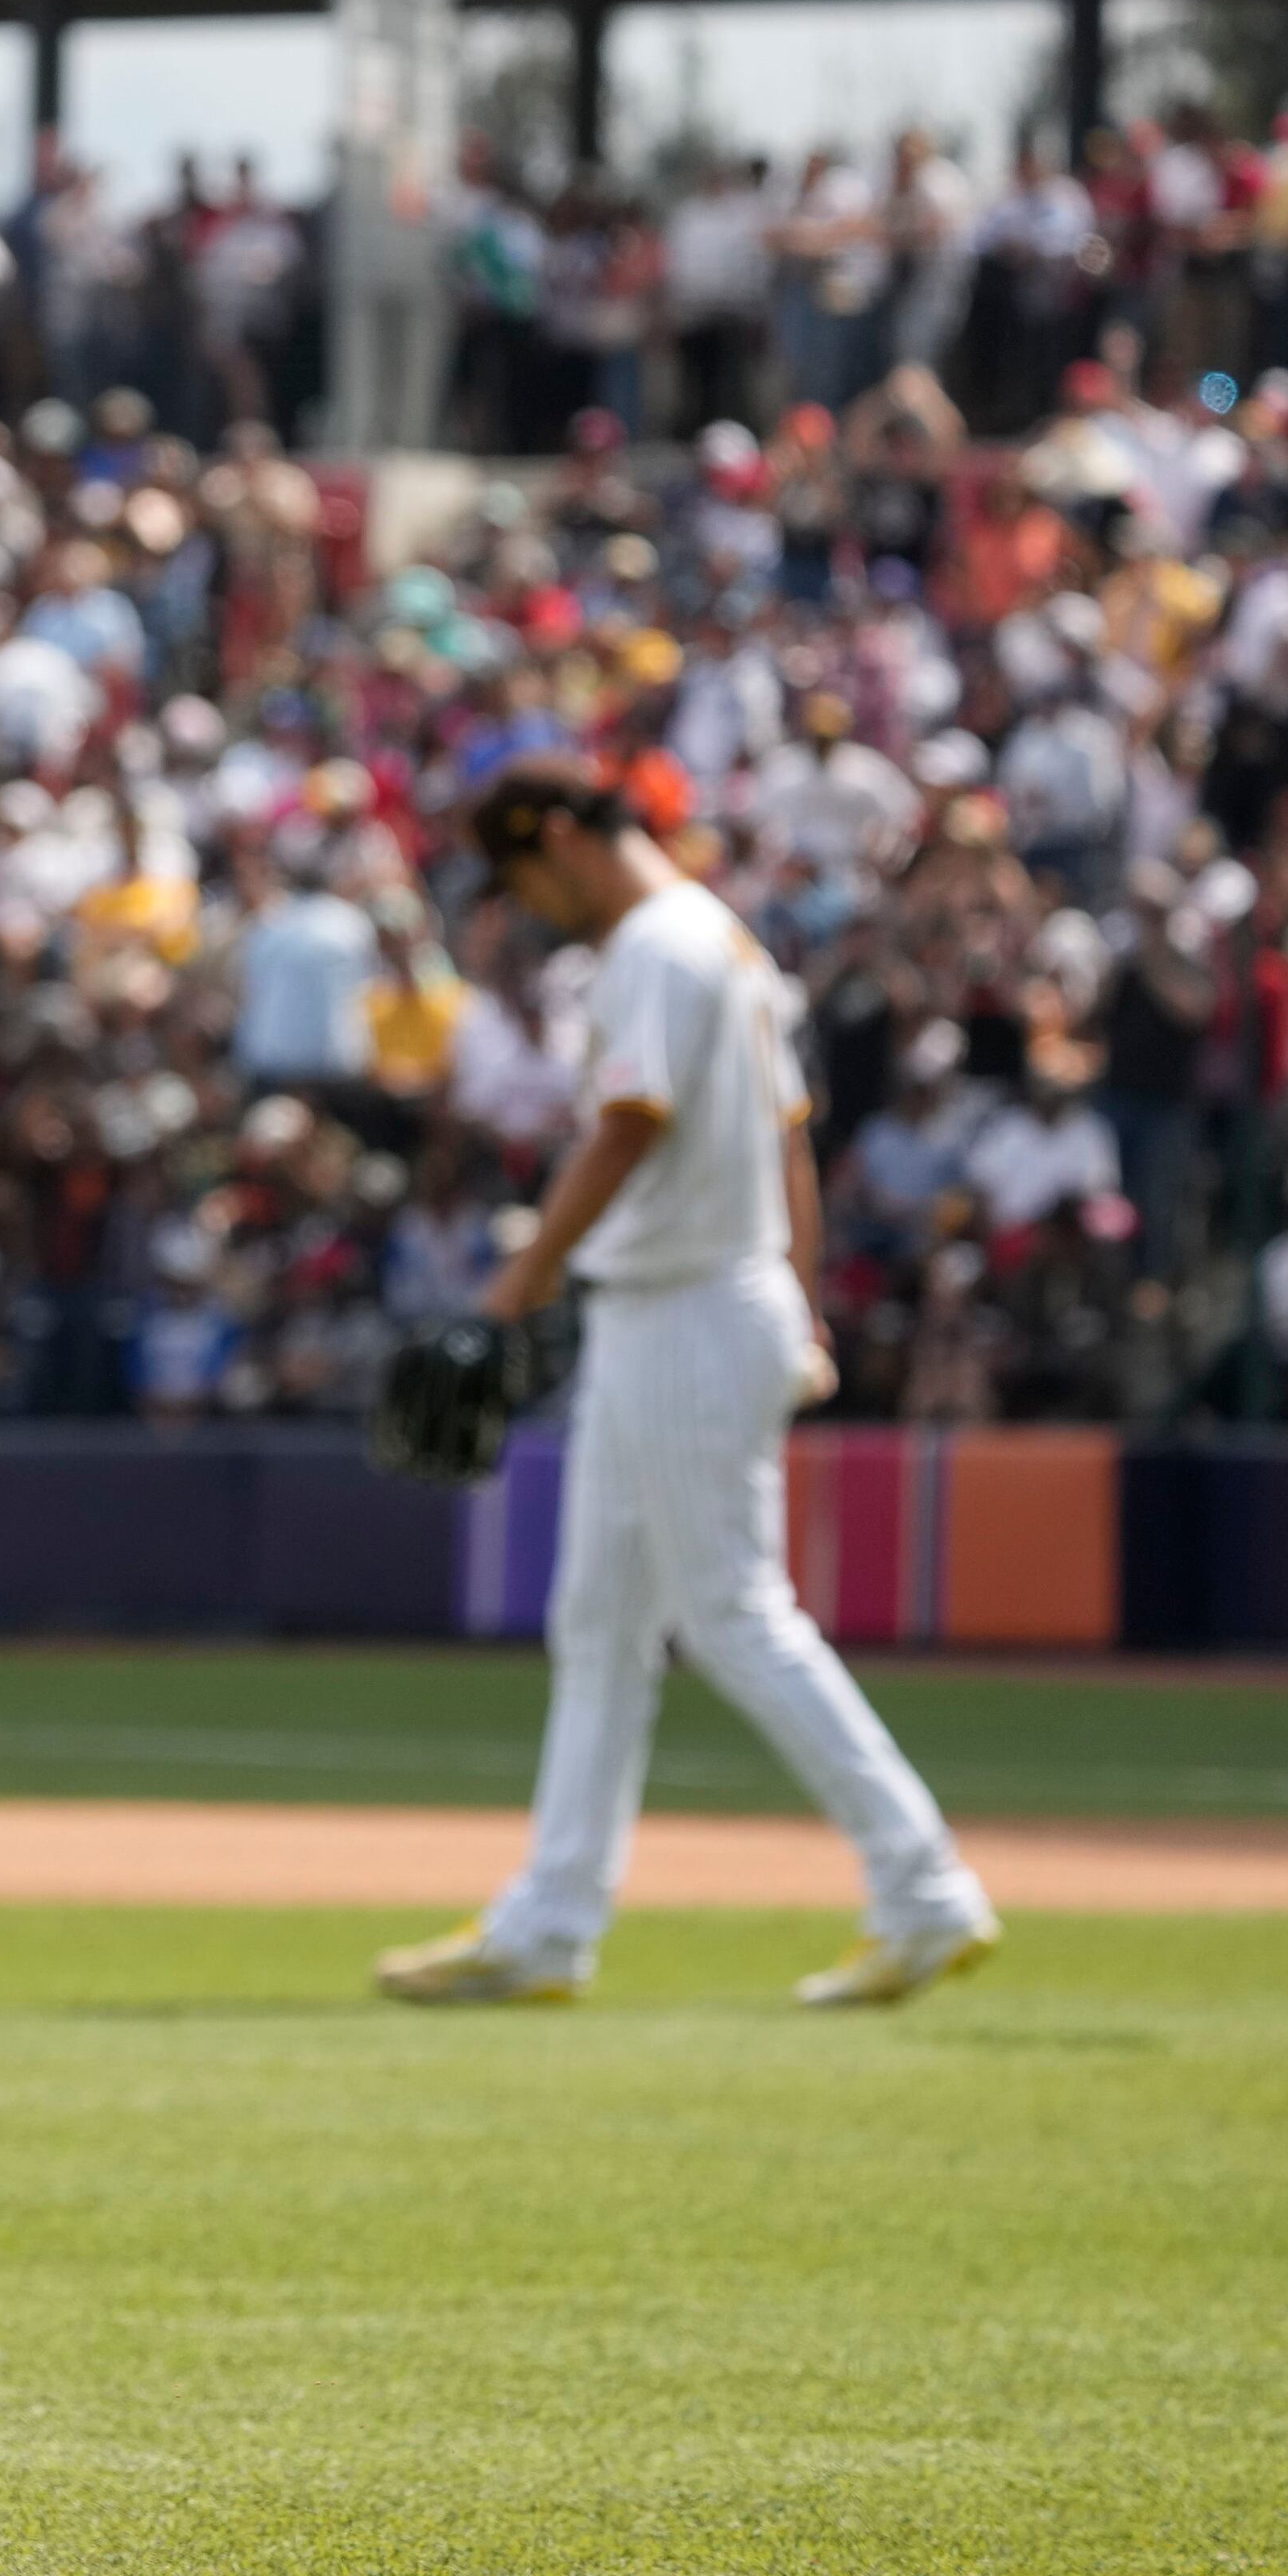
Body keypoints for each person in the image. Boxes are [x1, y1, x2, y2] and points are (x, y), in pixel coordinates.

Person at [378, 760, 999, 2011]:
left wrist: (514, 1290)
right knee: (601, 1620)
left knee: (731, 1612)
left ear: (559, 836)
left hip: (683, 1307)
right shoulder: (723, 939)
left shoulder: (654, 946)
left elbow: (629, 1121)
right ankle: (549, 1921)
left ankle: (923, 1884)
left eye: (524, 874)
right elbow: (789, 1145)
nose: (531, 903)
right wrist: (801, 1299)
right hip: (704, 1298)